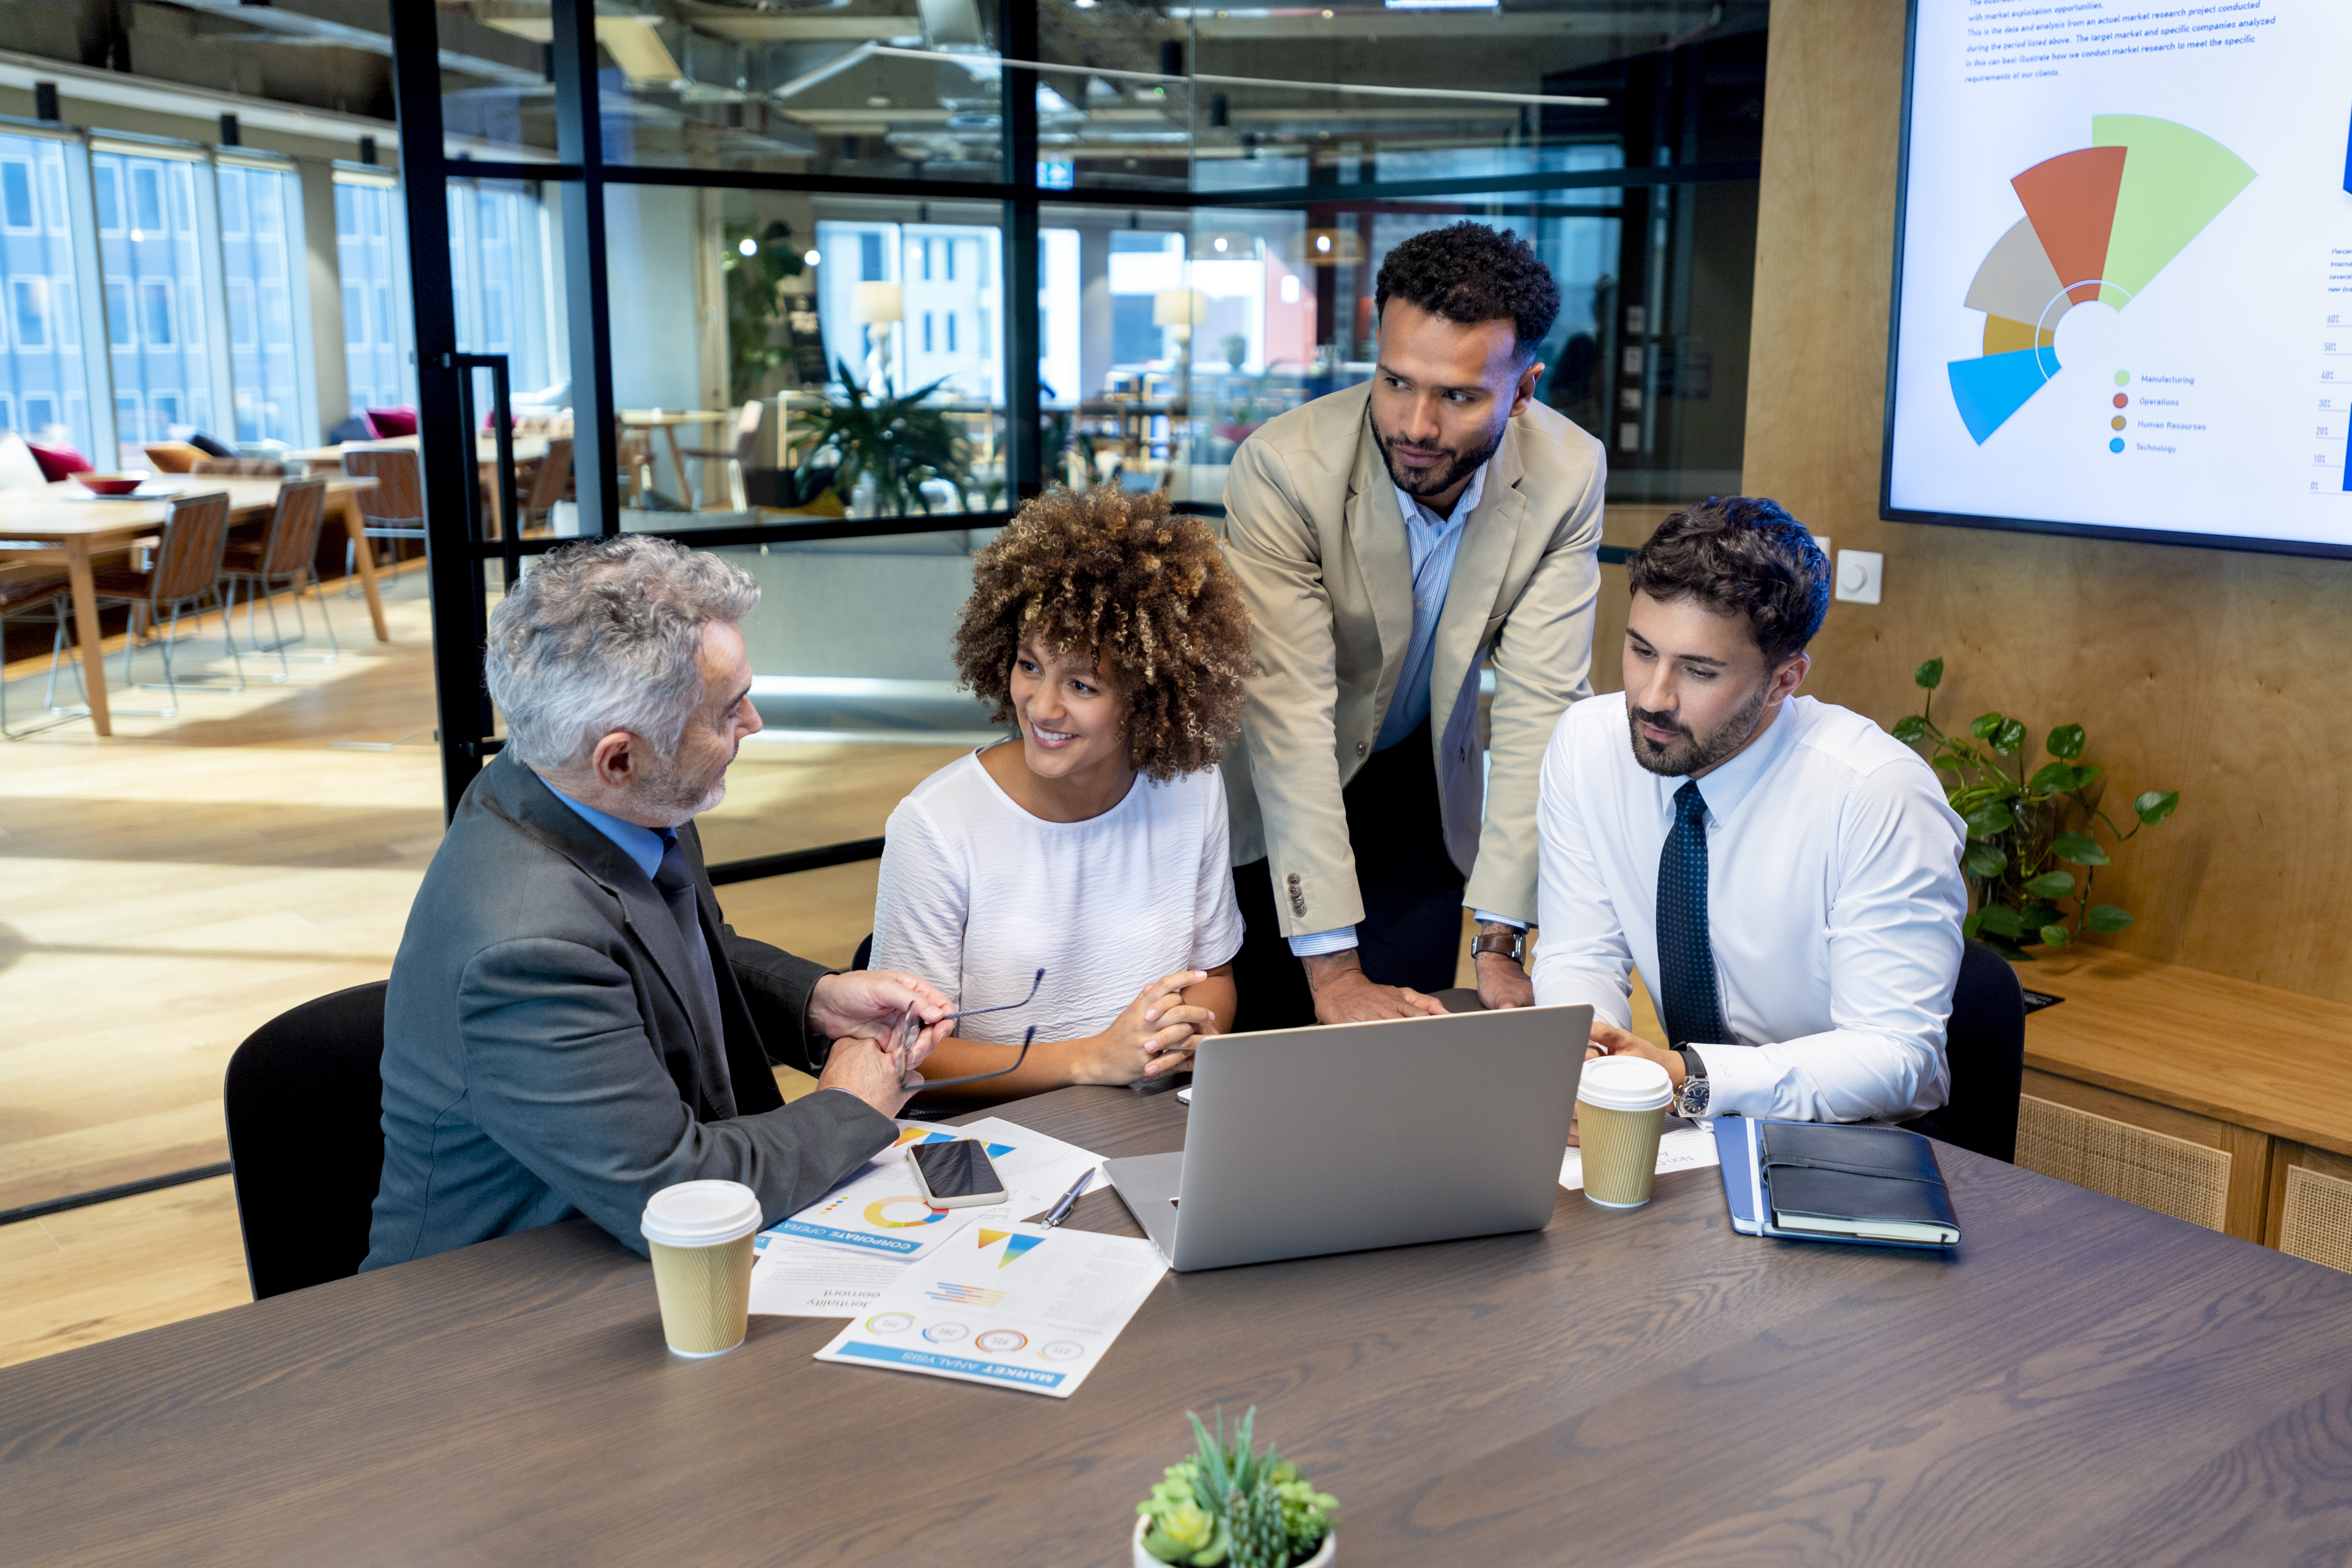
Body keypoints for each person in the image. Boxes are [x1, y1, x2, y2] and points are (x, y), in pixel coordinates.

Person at [365, 536, 952, 1268]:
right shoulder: (525, 949)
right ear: (619, 757)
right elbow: (677, 1192)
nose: (754, 724)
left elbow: (688, 953)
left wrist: (816, 1001)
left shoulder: (597, 790)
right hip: (505, 1302)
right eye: (729, 710)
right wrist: (849, 1108)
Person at [1220, 221, 1607, 1030]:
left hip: (1422, 780)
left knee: (1408, 1053)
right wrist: (1333, 977)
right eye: (1395, 382)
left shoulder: (1569, 473)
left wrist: (1500, 940)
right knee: (1259, 1057)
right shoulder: (1284, 468)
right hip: (1272, 786)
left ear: (1525, 388)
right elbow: (1289, 720)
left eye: (1459, 396)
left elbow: (1541, 710)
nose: (1416, 426)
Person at [1531, 498, 1968, 1124]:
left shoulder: (1877, 794)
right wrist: (1589, 1063)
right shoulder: (1588, 745)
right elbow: (1581, 954)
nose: (1653, 699)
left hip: (1840, 1145)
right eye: (1642, 651)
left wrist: (1692, 1079)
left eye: (1700, 671)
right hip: (1675, 1124)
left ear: (1786, 680)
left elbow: (1900, 1056)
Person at [870, 487, 1249, 1096]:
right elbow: (907, 1052)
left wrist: (1191, 1035)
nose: (1042, 707)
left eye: (1081, 684)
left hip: (1151, 1113)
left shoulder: (1193, 789)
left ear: (1149, 693)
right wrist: (1090, 1061)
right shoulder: (936, 824)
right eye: (1029, 666)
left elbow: (1213, 975)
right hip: (1001, 1136)